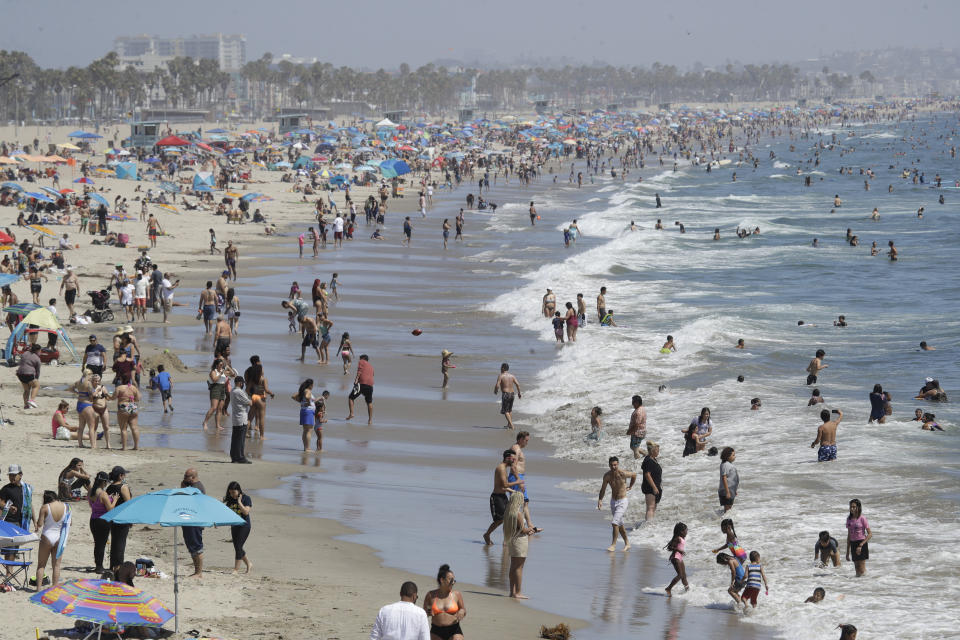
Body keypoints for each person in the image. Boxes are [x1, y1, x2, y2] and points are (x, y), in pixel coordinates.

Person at [482, 450, 523, 545]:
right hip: (496, 498)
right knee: (499, 520)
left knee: (510, 517)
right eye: (513, 459)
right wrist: (518, 482)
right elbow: (505, 484)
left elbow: (503, 487)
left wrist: (513, 491)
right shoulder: (501, 468)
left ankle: (507, 539)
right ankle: (487, 534)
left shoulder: (504, 468)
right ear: (507, 458)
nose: (514, 461)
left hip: (503, 496)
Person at [597, 456, 637, 552]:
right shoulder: (607, 476)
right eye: (611, 465)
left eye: (615, 465)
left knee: (614, 523)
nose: (613, 467)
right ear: (609, 465)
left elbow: (634, 475)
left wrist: (630, 486)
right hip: (613, 501)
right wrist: (600, 500)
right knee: (619, 524)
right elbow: (603, 489)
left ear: (618, 464)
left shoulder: (623, 474)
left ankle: (613, 545)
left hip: (623, 501)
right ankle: (627, 543)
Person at [34, 490, 69, 590]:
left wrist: (37, 523)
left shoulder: (45, 507)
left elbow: (40, 524)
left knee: (41, 565)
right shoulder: (66, 507)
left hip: (47, 536)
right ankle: (54, 588)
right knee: (56, 566)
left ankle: (38, 588)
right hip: (59, 537)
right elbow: (69, 523)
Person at [503, 491, 534, 599]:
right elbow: (523, 530)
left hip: (512, 540)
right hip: (520, 541)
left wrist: (527, 530)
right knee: (519, 567)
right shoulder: (518, 513)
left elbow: (517, 529)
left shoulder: (508, 512)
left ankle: (512, 591)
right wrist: (533, 529)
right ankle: (518, 592)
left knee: (513, 567)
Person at [509, 431, 541, 534]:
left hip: (520, 477)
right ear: (520, 439)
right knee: (517, 503)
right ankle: (521, 527)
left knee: (525, 501)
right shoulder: (516, 449)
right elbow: (513, 466)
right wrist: (519, 481)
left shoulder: (518, 449)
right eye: (526, 441)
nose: (527, 443)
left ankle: (529, 525)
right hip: (516, 477)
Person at [423, 565, 466, 640]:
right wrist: (428, 612)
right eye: (450, 580)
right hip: (436, 630)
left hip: (454, 630)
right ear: (442, 580)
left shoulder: (456, 595)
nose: (453, 583)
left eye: (454, 580)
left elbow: (463, 609)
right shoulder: (430, 595)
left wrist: (462, 612)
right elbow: (424, 613)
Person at [105, 466, 131, 571]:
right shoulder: (123, 487)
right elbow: (129, 504)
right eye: (124, 474)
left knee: (115, 542)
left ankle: (113, 566)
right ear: (120, 476)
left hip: (112, 517)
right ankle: (119, 566)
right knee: (120, 543)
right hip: (122, 517)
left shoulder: (109, 487)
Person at [181, 468, 205, 578]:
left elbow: (188, 501)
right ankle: (196, 571)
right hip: (189, 520)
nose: (184, 478)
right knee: (192, 547)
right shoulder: (191, 487)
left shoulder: (196, 488)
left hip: (195, 521)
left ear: (193, 477)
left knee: (197, 546)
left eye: (186, 476)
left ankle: (199, 572)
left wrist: (183, 488)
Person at [88, 471, 114, 573]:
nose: (106, 484)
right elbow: (110, 509)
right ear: (103, 482)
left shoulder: (91, 492)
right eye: (106, 482)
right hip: (102, 521)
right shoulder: (103, 494)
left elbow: (92, 506)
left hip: (93, 520)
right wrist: (115, 499)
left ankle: (98, 565)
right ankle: (99, 567)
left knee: (97, 543)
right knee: (101, 544)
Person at [224, 481, 252, 574]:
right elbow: (225, 514)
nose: (232, 495)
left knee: (238, 546)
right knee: (237, 547)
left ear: (239, 491)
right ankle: (248, 563)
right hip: (234, 526)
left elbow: (246, 512)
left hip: (244, 526)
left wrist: (239, 501)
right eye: (230, 493)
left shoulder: (246, 499)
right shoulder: (230, 500)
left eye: (234, 492)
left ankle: (236, 569)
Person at [845, 498, 871, 577]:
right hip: (853, 543)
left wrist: (861, 545)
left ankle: (865, 583)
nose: (852, 508)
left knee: (861, 567)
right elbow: (849, 536)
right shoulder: (849, 519)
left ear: (858, 508)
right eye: (851, 507)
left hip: (861, 543)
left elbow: (870, 534)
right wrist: (847, 552)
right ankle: (858, 585)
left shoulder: (862, 518)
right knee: (856, 568)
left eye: (854, 507)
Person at [230, 376, 253, 463]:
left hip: (236, 417)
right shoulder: (239, 392)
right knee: (240, 439)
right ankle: (240, 457)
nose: (243, 384)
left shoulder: (232, 390)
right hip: (241, 418)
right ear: (240, 383)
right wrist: (252, 397)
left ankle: (234, 457)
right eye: (243, 383)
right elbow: (249, 403)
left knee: (235, 438)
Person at [347, 354, 374, 425]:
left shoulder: (362, 361)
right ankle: (370, 420)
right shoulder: (371, 366)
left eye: (360, 359)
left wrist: (356, 380)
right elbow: (372, 375)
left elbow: (359, 370)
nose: (359, 360)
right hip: (370, 386)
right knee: (369, 402)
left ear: (363, 359)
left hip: (361, 384)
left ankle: (351, 414)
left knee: (351, 397)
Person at [493, 362, 521, 430]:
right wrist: (519, 393)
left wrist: (495, 390)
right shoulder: (512, 376)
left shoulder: (501, 376)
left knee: (505, 411)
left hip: (506, 394)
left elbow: (497, 385)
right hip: (512, 394)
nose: (500, 369)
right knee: (509, 410)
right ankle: (509, 424)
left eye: (500, 367)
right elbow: (518, 384)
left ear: (503, 368)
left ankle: (511, 425)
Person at [639, 442, 662, 522]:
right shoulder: (648, 460)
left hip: (654, 486)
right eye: (657, 450)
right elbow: (647, 475)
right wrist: (654, 487)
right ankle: (649, 525)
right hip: (650, 487)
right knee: (650, 507)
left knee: (653, 507)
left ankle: (650, 524)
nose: (658, 452)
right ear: (652, 451)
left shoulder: (653, 459)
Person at [664, 522, 689, 596]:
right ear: (681, 531)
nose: (687, 532)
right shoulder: (677, 538)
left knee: (684, 575)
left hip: (679, 558)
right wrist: (679, 550)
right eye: (686, 531)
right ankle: (668, 588)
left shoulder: (681, 538)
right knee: (680, 575)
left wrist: (680, 552)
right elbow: (670, 547)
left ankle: (687, 590)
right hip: (675, 557)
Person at [17, 343, 42, 409]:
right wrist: (36, 378)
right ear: (37, 350)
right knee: (36, 386)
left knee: (26, 390)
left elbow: (20, 362)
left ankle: (26, 405)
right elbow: (38, 371)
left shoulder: (25, 353)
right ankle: (32, 400)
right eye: (40, 351)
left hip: (20, 374)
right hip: (29, 374)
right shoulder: (37, 358)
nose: (40, 352)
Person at [293, 379, 316, 452]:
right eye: (313, 385)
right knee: (309, 430)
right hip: (308, 411)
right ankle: (307, 448)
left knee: (305, 431)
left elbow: (293, 396)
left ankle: (305, 447)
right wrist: (308, 402)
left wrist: (301, 402)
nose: (313, 386)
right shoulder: (308, 391)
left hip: (303, 410)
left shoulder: (302, 391)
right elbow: (307, 396)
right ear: (310, 385)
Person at [718, 447, 739, 511]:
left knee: (729, 508)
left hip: (731, 491)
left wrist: (734, 490)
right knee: (727, 509)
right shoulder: (725, 465)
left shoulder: (728, 464)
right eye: (733, 455)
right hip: (725, 492)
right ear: (727, 456)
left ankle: (727, 518)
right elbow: (724, 477)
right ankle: (725, 519)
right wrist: (727, 492)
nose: (735, 456)